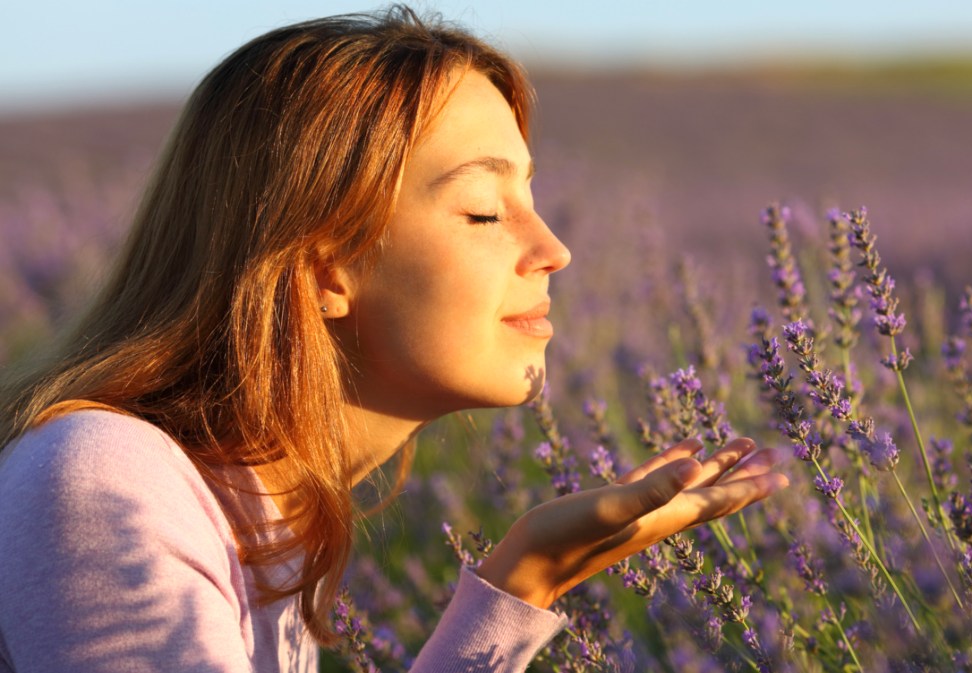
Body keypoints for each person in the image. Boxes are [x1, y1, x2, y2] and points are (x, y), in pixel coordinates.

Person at [0, 6, 788, 672]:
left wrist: (524, 585)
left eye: (531, 195)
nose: (553, 247)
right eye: (484, 209)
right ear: (326, 267)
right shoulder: (105, 483)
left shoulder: (268, 524)